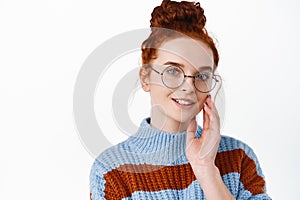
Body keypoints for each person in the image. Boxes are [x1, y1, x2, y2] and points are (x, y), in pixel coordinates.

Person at [90, 0, 271, 199]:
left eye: (202, 76)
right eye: (173, 71)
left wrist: (206, 169)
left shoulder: (239, 158)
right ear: (145, 78)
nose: (188, 87)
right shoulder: (110, 171)